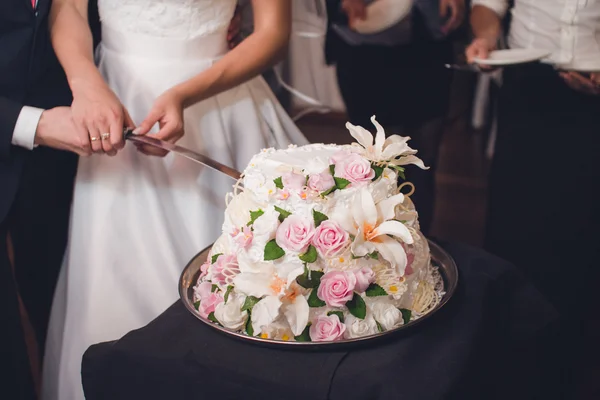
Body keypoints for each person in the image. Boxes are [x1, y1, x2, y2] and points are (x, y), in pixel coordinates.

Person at [42, 1, 308, 399]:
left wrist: (186, 93)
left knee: (232, 288)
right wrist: (88, 85)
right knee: (114, 281)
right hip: (112, 98)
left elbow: (272, 33)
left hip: (218, 99)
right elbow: (69, 10)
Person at [466, 1, 600, 398]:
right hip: (529, 83)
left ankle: (568, 364)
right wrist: (487, 35)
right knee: (515, 227)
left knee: (583, 233)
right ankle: (506, 360)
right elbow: (487, 6)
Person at [0, 0, 117, 398]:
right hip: (39, 125)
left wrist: (90, 86)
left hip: (64, 146)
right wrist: (36, 123)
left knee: (60, 300)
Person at [325, 0, 466, 235]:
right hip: (367, 50)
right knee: (375, 164)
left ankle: (418, 245)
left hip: (428, 45)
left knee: (423, 161)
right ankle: (372, 247)